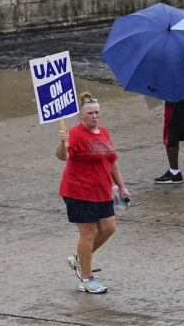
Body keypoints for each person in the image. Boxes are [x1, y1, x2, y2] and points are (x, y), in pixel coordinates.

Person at [57, 92, 130, 294]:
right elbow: (63, 156)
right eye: (90, 113)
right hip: (79, 191)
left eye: (97, 112)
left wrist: (122, 187)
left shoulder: (104, 132)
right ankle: (87, 279)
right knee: (87, 233)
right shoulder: (74, 134)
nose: (95, 116)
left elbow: (112, 162)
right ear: (81, 115)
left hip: (102, 190)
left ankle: (80, 258)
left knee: (109, 228)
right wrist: (61, 142)